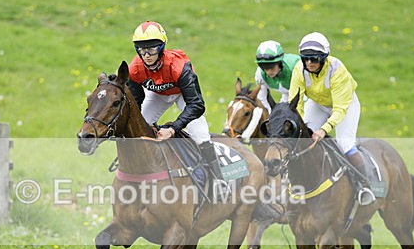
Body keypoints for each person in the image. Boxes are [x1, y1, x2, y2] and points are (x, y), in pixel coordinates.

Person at [126, 20, 230, 201]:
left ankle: (219, 180)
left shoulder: (179, 66)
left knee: (200, 135)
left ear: (162, 47)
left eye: (152, 49)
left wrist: (173, 128)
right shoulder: (134, 69)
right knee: (138, 128)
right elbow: (136, 102)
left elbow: (197, 104)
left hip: (184, 95)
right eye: (141, 50)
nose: (147, 55)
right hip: (157, 94)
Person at [290, 31, 375, 205]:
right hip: (317, 104)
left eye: (314, 59)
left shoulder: (337, 71)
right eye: (305, 58)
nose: (309, 63)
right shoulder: (299, 70)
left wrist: (323, 130)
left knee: (345, 144)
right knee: (303, 140)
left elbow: (340, 109)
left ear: (324, 58)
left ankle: (364, 186)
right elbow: (295, 103)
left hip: (345, 105)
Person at [254, 40, 301, 112]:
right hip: (287, 96)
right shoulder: (260, 73)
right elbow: (262, 98)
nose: (268, 71)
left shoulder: (296, 67)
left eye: (271, 66)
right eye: (264, 67)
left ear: (280, 62)